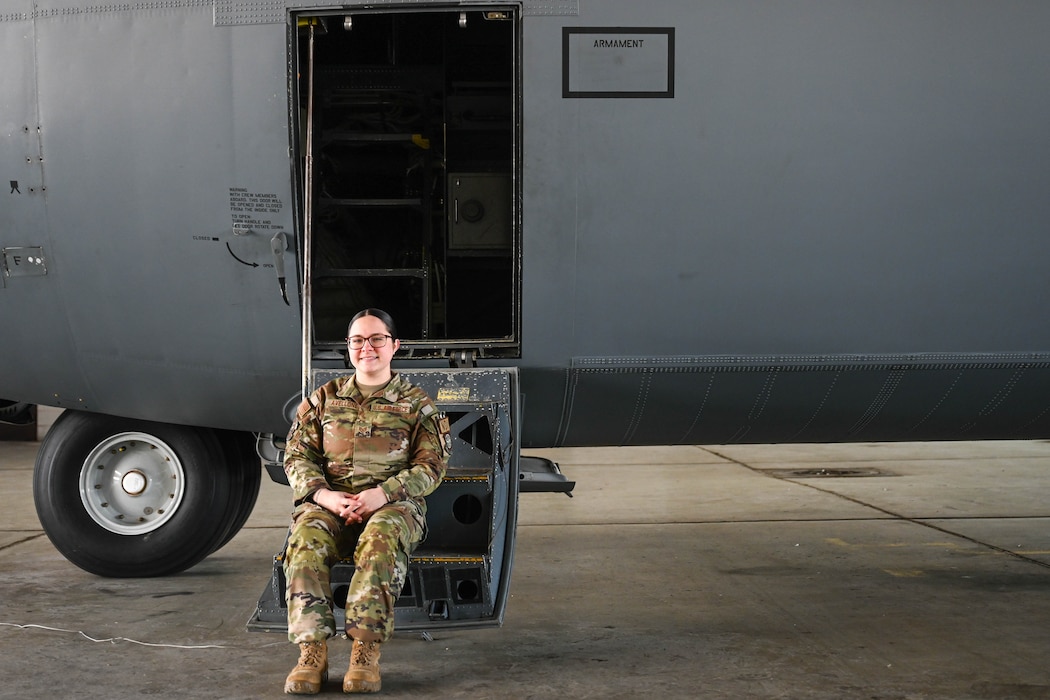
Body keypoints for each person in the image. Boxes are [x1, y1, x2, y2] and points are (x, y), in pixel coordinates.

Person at [282, 308, 451, 694]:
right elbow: (296, 456)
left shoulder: (416, 404)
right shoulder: (324, 398)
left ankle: (364, 651)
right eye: (358, 340)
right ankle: (312, 652)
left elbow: (432, 466)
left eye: (376, 339)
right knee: (305, 539)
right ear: (349, 347)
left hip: (394, 506)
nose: (367, 348)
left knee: (381, 538)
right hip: (330, 504)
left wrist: (383, 494)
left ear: (394, 346)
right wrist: (324, 495)